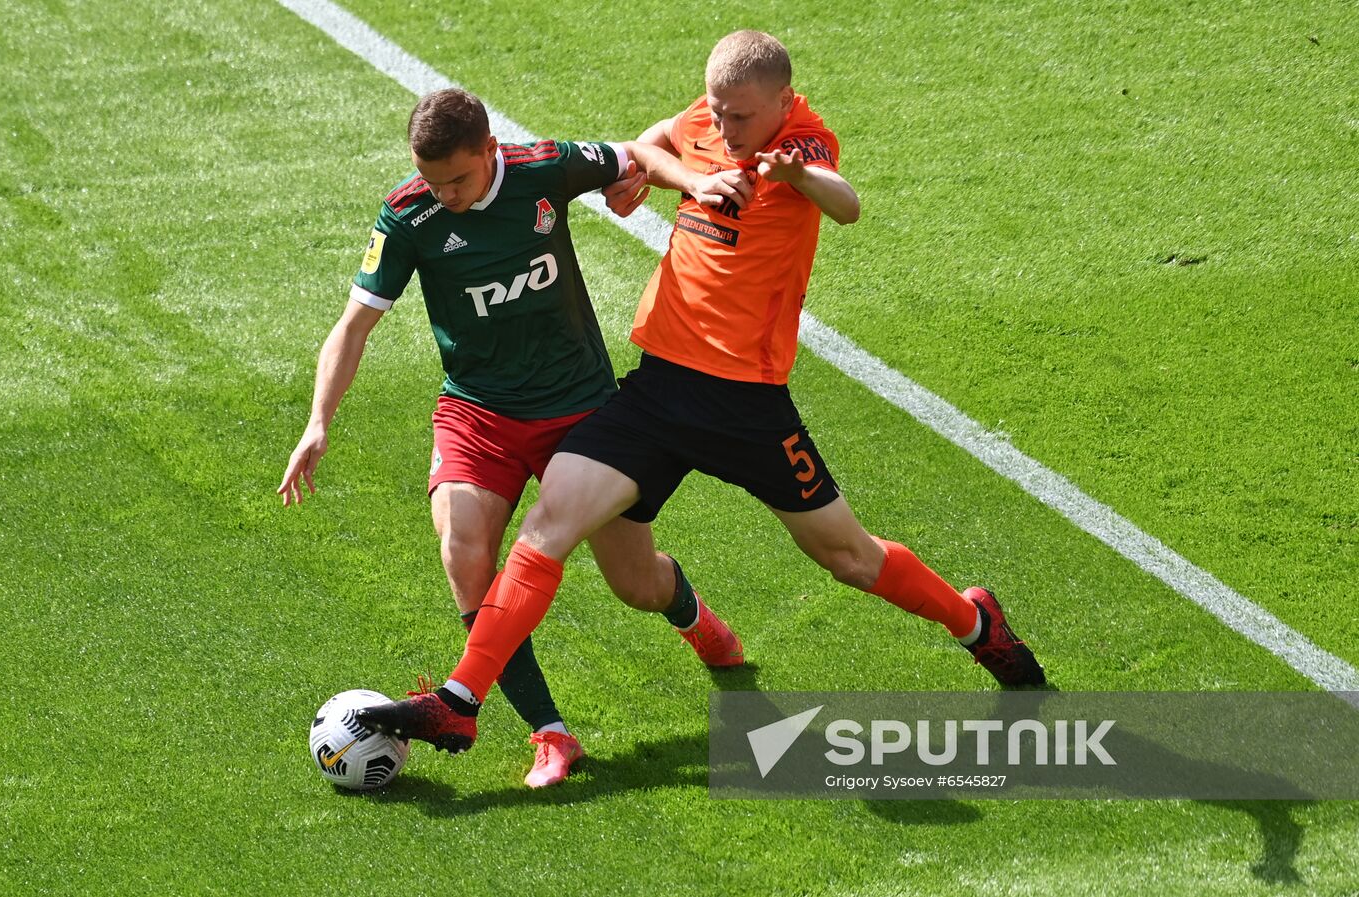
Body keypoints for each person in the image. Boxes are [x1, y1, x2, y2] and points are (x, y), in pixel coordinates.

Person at [358, 32, 1046, 755]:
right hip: (658, 391)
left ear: (782, 102)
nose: (723, 129)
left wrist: (796, 178)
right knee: (549, 521)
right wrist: (644, 177)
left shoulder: (805, 144)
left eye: (740, 118)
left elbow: (846, 206)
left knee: (849, 559)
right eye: (717, 111)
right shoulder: (709, 117)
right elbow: (654, 139)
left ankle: (973, 621)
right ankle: (460, 701)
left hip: (747, 404)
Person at [279, 88, 744, 787]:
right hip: (479, 415)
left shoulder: (542, 169)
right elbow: (353, 327)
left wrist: (690, 181)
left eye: (458, 180)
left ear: (490, 152)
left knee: (634, 581)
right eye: (433, 181)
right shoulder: (410, 214)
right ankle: (551, 734)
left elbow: (636, 152)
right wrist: (318, 422)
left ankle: (695, 617)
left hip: (582, 412)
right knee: (465, 551)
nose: (446, 195)